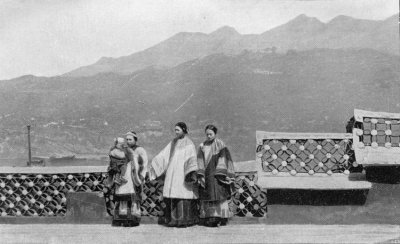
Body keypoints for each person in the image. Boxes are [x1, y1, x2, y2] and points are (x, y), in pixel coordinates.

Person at [149, 122, 199, 227]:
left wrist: (191, 172)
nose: (176, 132)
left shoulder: (189, 144)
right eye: (175, 130)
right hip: (172, 173)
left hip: (183, 173)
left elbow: (192, 158)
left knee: (183, 196)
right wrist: (155, 164)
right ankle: (173, 220)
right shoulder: (173, 143)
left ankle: (184, 221)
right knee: (173, 196)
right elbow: (164, 154)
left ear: (184, 130)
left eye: (178, 130)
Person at [197, 125, 235, 227]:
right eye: (207, 134)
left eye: (211, 134)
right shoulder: (202, 145)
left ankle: (221, 218)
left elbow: (224, 158)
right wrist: (200, 173)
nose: (209, 136)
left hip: (217, 175)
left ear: (215, 134)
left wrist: (220, 172)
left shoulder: (220, 144)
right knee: (208, 196)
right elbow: (199, 160)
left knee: (219, 196)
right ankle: (210, 218)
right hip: (207, 174)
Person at [107, 137, 143, 227]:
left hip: (127, 177)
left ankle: (127, 220)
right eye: (120, 143)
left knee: (127, 197)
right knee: (123, 198)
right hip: (124, 177)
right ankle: (122, 220)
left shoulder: (125, 151)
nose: (122, 144)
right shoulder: (124, 151)